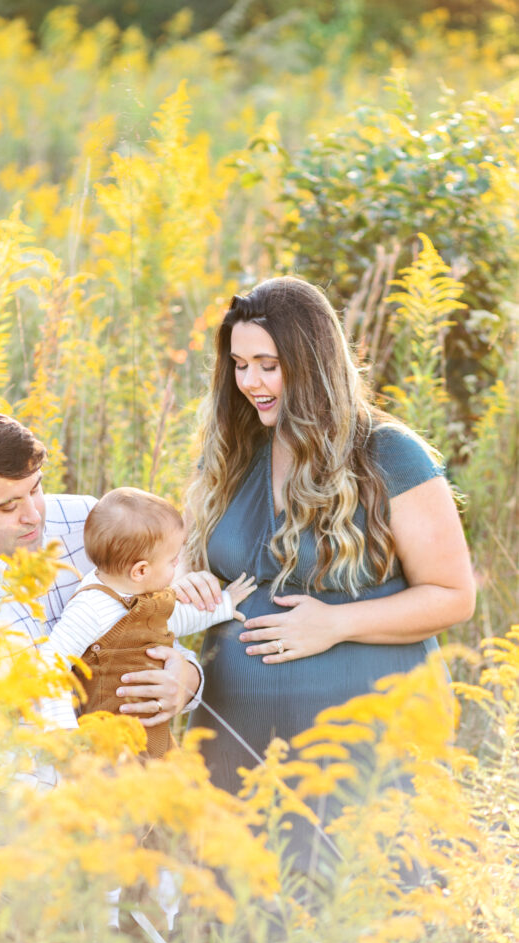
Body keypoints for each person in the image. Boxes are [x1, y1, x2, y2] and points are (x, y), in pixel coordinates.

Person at [180, 276, 476, 867]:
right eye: (239, 365)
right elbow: (194, 564)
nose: (250, 383)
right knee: (233, 933)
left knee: (355, 928)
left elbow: (452, 596)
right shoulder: (233, 450)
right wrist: (189, 584)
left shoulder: (388, 453)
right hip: (241, 740)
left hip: (361, 748)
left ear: (310, 361)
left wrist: (335, 624)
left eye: (268, 365)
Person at [0, 410, 205, 767]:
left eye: (36, 488)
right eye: (8, 506)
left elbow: (155, 627)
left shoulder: (87, 521)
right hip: (25, 808)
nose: (33, 515)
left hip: (135, 775)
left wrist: (187, 679)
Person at [47, 487, 256, 757]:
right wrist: (62, 729)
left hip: (151, 732)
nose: (178, 566)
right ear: (141, 570)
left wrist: (226, 605)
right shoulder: (90, 608)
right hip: (109, 741)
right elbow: (50, 664)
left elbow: (174, 618)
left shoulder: (142, 594)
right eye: (172, 561)